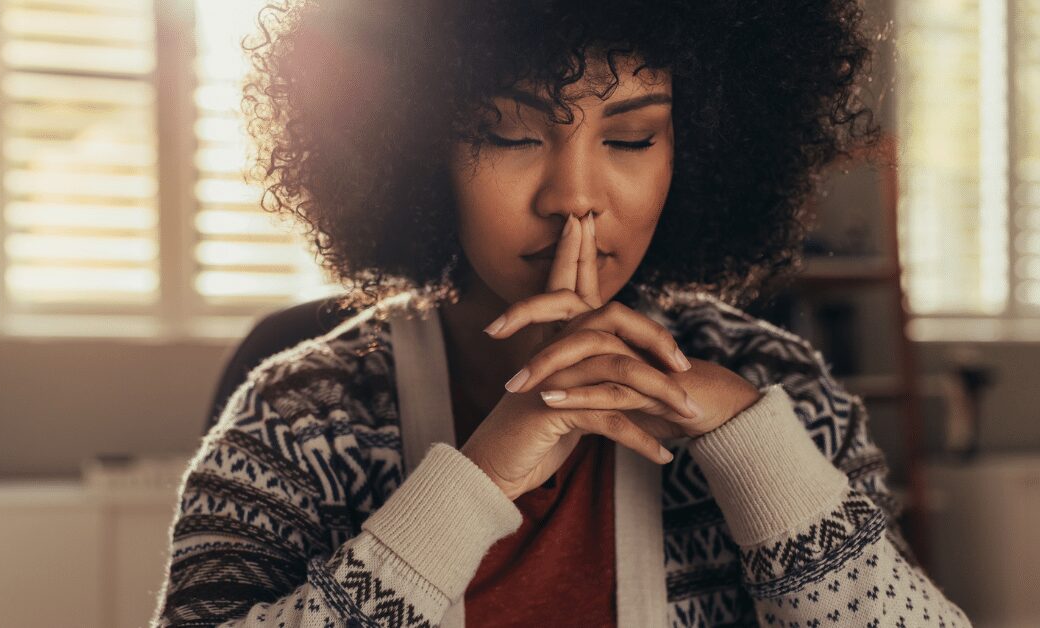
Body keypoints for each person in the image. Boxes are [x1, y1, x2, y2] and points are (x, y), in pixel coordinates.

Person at [151, 0, 971, 626]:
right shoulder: (304, 417)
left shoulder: (772, 386)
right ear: (415, 149)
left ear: (698, 153)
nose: (574, 197)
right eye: (509, 136)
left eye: (632, 139)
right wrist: (479, 481)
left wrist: (755, 450)